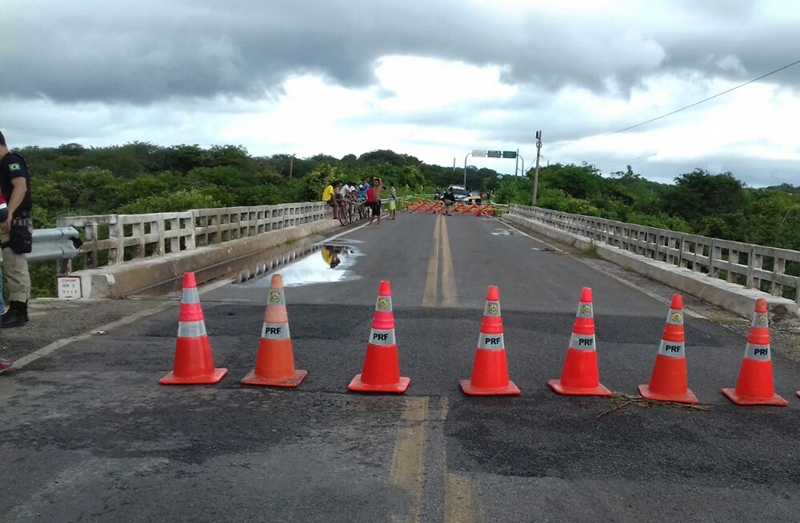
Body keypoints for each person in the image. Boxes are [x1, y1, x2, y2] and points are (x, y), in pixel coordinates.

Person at [0, 130, 32, 328]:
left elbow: (20, 186)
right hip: (7, 220)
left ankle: (19, 310)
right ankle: (16, 309)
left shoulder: (11, 161)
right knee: (12, 265)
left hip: (15, 221)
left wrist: (9, 212)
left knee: (15, 264)